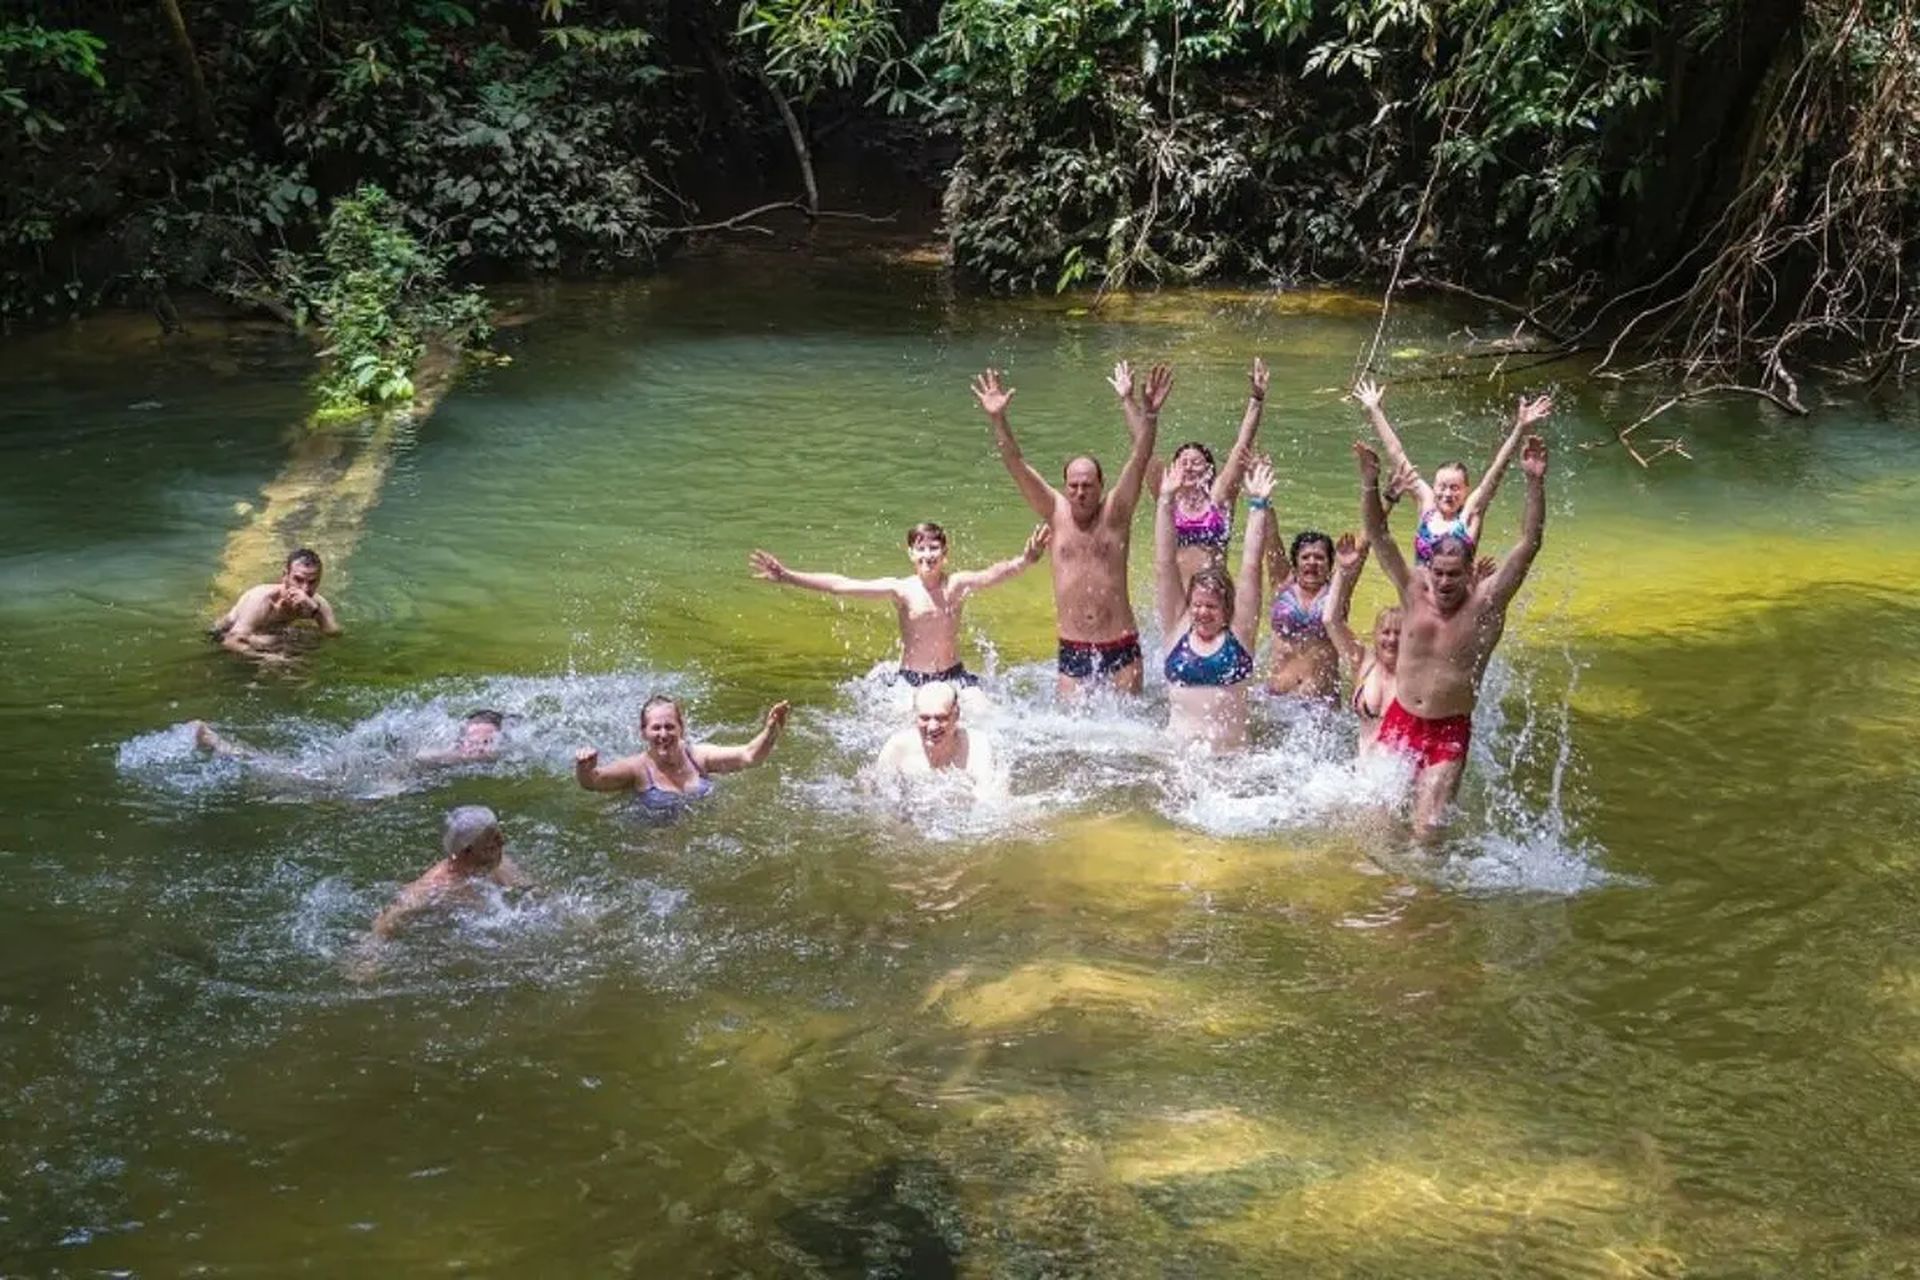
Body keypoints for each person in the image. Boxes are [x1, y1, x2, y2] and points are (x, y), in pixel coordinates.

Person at [1355, 432, 1549, 842]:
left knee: (1426, 834)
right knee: (1379, 827)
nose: (1443, 582)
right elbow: (1378, 535)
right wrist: (1370, 482)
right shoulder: (1413, 592)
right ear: (1429, 569)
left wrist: (1534, 482)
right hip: (1401, 719)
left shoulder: (1487, 604)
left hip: (1448, 732)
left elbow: (1529, 545)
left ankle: (1427, 904)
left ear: (1469, 572)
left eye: (1453, 574)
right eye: (1438, 573)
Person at [972, 362, 1169, 697]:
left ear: (1101, 485)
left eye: (1088, 486)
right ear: (1064, 486)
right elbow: (1016, 464)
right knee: (1069, 742)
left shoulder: (1116, 511)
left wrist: (1149, 416)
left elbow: (1140, 458)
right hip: (1074, 648)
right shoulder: (1054, 510)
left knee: (1131, 739)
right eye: (1074, 486)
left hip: (1120, 645)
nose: (1080, 492)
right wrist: (998, 418)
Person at [749, 522, 1050, 688]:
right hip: (911, 681)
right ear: (910, 553)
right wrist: (788, 576)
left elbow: (994, 574)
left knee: (988, 717)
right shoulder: (902, 590)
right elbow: (842, 585)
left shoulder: (956, 585)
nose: (928, 555)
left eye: (934, 548)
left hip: (954, 675)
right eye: (921, 548)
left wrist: (1027, 559)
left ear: (946, 553)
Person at [1354, 378, 1553, 564]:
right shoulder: (1427, 507)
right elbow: (1397, 453)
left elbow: (1497, 469)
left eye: (1455, 488)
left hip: (1459, 599)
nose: (1447, 494)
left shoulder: (1469, 514)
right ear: (1434, 487)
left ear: (1466, 490)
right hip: (1421, 596)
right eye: (1442, 487)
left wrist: (1520, 427)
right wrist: (1375, 410)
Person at [1153, 456, 1276, 751]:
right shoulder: (1177, 627)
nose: (1202, 612)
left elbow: (1250, 566)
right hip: (1178, 760)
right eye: (1197, 605)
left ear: (1226, 609)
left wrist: (1258, 505)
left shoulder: (1239, 635)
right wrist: (1165, 500)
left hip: (1233, 765)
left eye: (1211, 607)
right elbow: (1164, 562)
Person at [1145, 357, 1270, 592]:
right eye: (1184, 463)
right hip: (1177, 596)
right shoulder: (1167, 498)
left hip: (1217, 596)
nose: (1190, 467)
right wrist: (1147, 413)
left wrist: (1257, 400)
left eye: (1196, 463)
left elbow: (1242, 446)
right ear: (1173, 470)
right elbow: (1144, 453)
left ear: (1209, 469)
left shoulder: (1219, 497)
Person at [574, 695, 790, 817]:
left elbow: (749, 756)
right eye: (655, 728)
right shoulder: (637, 768)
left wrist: (770, 731)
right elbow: (593, 782)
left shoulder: (698, 757)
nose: (663, 734)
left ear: (681, 729)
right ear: (643, 732)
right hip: (654, 841)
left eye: (669, 727)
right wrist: (585, 768)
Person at [368, 806, 531, 941]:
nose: (502, 842)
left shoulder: (499, 863)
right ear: (466, 852)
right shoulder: (438, 886)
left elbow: (534, 893)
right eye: (492, 843)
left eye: (499, 835)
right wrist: (370, 958)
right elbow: (388, 918)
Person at [190, 708, 507, 768]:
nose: (476, 746)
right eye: (474, 738)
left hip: (375, 764)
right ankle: (223, 747)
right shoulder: (445, 747)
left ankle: (224, 747)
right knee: (298, 774)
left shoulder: (446, 741)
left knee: (302, 773)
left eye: (485, 741)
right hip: (372, 767)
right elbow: (415, 759)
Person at [1324, 534, 1400, 751]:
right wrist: (1342, 571)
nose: (1392, 639)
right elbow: (1331, 619)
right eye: (1386, 632)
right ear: (1375, 635)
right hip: (1362, 775)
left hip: (1401, 777)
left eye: (1399, 633)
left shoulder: (1415, 669)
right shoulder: (1364, 662)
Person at [209, 548, 341, 660]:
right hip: (224, 632)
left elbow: (334, 635)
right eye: (298, 580)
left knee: (306, 640)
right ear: (285, 576)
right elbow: (231, 641)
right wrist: (272, 659)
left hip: (269, 634)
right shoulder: (261, 599)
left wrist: (315, 612)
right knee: (270, 642)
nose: (305, 589)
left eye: (312, 582)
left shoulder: (317, 603)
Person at [871, 681, 999, 789]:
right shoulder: (898, 748)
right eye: (925, 718)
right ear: (915, 716)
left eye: (941, 718)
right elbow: (875, 798)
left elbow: (989, 801)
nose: (932, 727)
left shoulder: (977, 747)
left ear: (956, 715)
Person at [1263, 526, 1341, 701]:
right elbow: (1272, 539)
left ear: (1330, 564)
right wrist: (1262, 504)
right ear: (1295, 563)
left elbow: (1361, 549)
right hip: (1276, 698)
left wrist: (1388, 501)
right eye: (1305, 557)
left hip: (1320, 703)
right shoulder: (1281, 587)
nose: (1312, 562)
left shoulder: (1338, 594)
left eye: (1320, 557)